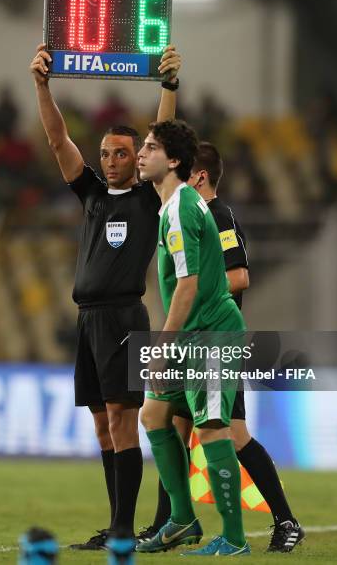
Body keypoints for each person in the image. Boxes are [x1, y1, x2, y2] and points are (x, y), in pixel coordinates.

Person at [29, 43, 181, 547]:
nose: (112, 161)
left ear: (139, 160)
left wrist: (169, 87)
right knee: (101, 424)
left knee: (122, 417)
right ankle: (116, 523)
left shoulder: (147, 198)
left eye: (122, 154)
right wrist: (42, 85)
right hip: (88, 319)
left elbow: (162, 138)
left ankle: (122, 528)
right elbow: (56, 141)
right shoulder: (91, 193)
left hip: (123, 318)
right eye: (106, 154)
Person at [141, 141, 305, 553]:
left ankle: (284, 520)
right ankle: (173, 522)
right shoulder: (180, 210)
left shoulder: (217, 215)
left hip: (214, 339)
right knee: (164, 418)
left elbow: (240, 277)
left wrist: (198, 286)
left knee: (232, 434)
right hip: (189, 336)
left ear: (198, 176)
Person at [136, 120, 250, 556]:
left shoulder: (182, 208)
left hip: (211, 336)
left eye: (151, 147)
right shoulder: (171, 202)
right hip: (191, 335)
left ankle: (235, 540)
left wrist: (162, 346)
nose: (142, 153)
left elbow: (187, 284)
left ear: (176, 161)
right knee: (154, 415)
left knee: (213, 429)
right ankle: (182, 520)